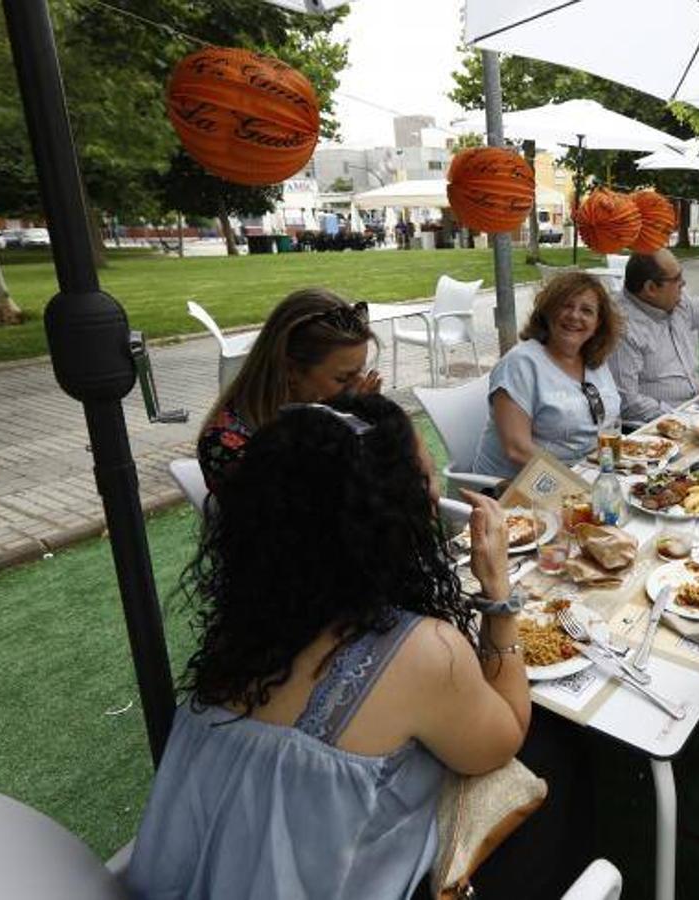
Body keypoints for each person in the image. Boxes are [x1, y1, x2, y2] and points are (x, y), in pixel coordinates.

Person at [126, 396, 530, 900]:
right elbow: (504, 737)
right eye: (423, 481)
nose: (433, 495)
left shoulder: (245, 631)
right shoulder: (423, 651)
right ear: (388, 514)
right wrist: (499, 596)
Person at [196, 289, 380, 491]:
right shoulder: (227, 444)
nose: (360, 382)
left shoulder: (328, 412)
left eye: (361, 370)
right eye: (343, 378)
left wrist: (373, 418)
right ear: (290, 370)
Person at [474, 271, 623, 478]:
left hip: (589, 471)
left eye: (587, 311)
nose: (574, 316)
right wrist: (578, 482)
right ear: (548, 311)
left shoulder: (594, 360)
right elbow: (517, 450)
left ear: (598, 324)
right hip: (519, 488)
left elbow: (610, 422)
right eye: (566, 306)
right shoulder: (520, 364)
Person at [608, 248, 699, 422]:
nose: (683, 284)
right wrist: (682, 418)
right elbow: (628, 403)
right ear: (651, 288)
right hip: (654, 427)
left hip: (696, 408)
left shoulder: (679, 302)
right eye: (677, 279)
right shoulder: (620, 326)